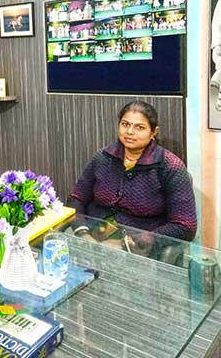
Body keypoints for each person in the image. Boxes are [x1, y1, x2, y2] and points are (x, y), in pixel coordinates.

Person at [67, 101, 197, 256]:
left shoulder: (170, 167)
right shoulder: (103, 157)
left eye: (139, 127)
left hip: (136, 247)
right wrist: (83, 233)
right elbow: (77, 198)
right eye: (125, 124)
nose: (129, 131)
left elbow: (185, 225)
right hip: (90, 236)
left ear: (153, 132)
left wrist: (142, 240)